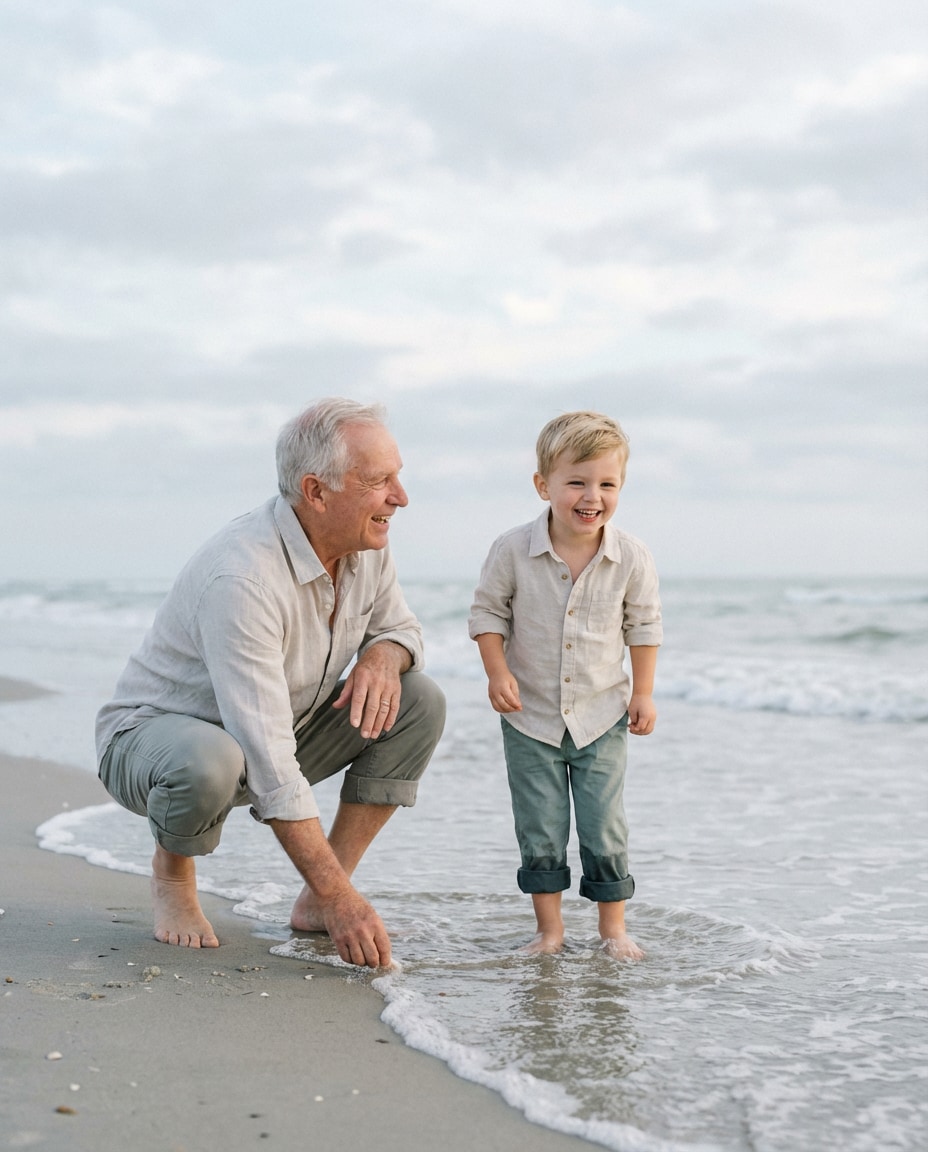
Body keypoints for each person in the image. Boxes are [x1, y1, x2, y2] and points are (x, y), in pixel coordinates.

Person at [95, 398, 446, 969]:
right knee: (212, 759)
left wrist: (383, 655)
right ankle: (173, 872)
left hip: (277, 727)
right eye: (379, 481)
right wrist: (346, 903)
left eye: (397, 476)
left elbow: (401, 628)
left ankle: (317, 898)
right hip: (155, 747)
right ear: (316, 492)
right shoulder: (243, 577)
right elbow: (266, 754)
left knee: (419, 700)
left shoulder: (365, 541)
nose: (400, 497)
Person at [468, 410, 661, 959]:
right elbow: (487, 614)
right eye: (576, 481)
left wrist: (643, 692)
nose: (591, 496)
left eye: (606, 483)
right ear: (543, 485)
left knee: (604, 828)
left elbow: (643, 625)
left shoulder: (631, 556)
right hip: (530, 716)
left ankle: (612, 931)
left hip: (603, 716)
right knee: (541, 830)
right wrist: (497, 671)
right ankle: (549, 932)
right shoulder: (511, 550)